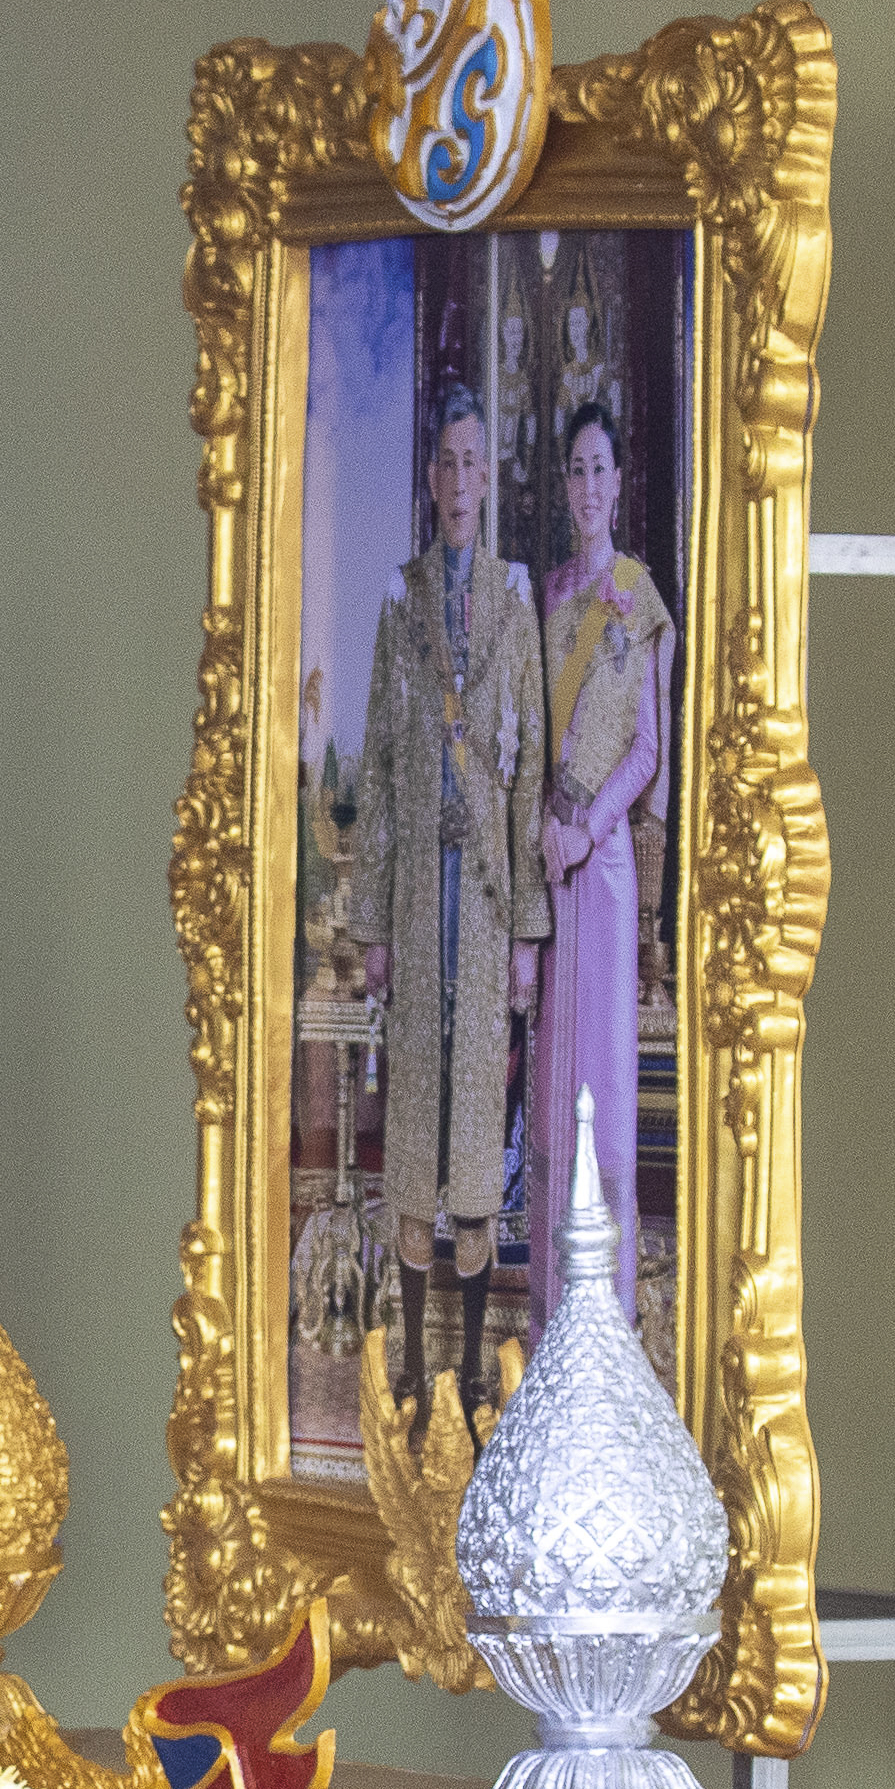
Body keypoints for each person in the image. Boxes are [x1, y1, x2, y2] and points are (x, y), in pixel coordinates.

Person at [354, 379, 549, 1399]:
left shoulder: (514, 602)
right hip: (419, 909)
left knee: (475, 1120)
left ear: (490, 476)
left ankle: (472, 1364)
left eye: (475, 462)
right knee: (415, 1129)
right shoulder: (401, 600)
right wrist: (375, 920)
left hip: (481, 900)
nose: (461, 481)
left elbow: (525, 773)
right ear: (430, 481)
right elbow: (382, 766)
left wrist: (524, 926)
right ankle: (417, 1358)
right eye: (446, 463)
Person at [531, 400, 674, 1326]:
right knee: (551, 1092)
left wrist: (592, 828)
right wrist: (548, 826)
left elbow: (650, 747)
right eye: (576, 469)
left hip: (608, 864)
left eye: (600, 469)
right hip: (554, 862)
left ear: (621, 483)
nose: (588, 486)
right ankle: (552, 1314)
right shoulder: (548, 598)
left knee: (604, 1094)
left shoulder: (641, 594)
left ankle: (608, 1324)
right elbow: (538, 731)